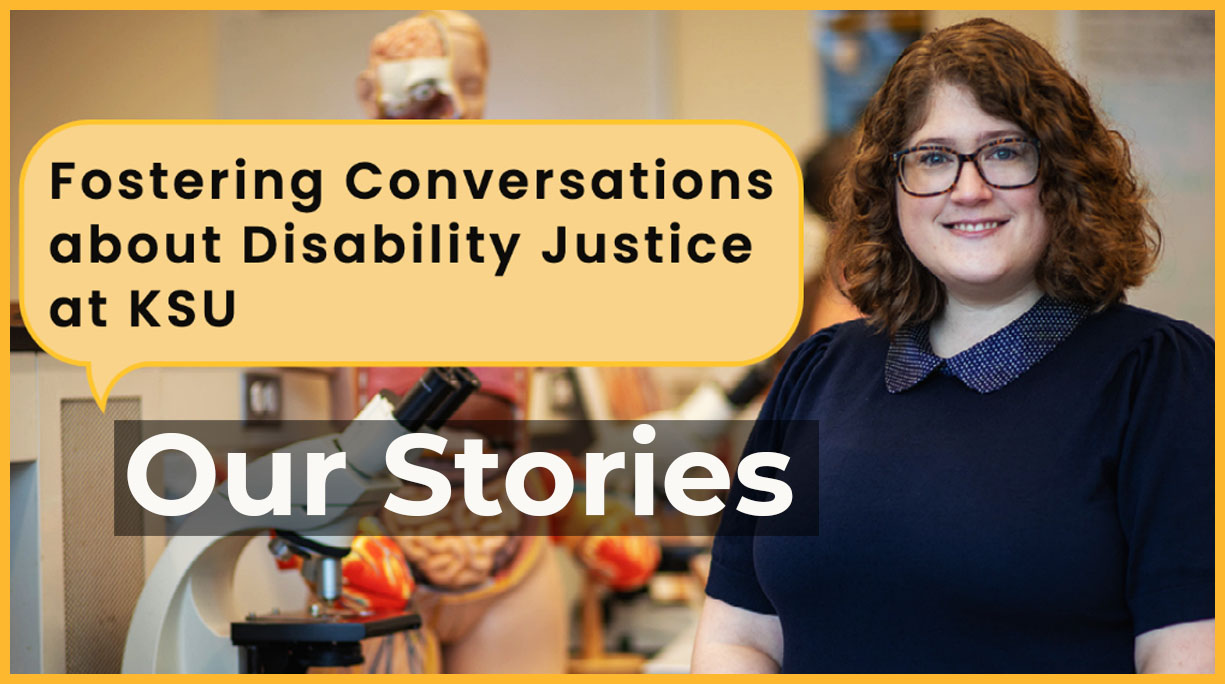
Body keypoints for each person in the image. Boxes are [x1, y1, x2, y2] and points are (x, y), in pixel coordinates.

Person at [693, 18, 1213, 673]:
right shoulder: (816, 371)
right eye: (932, 157)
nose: (968, 189)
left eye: (1004, 151)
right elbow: (738, 634)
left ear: (1061, 177)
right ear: (892, 188)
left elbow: (1184, 656)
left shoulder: (1160, 378)